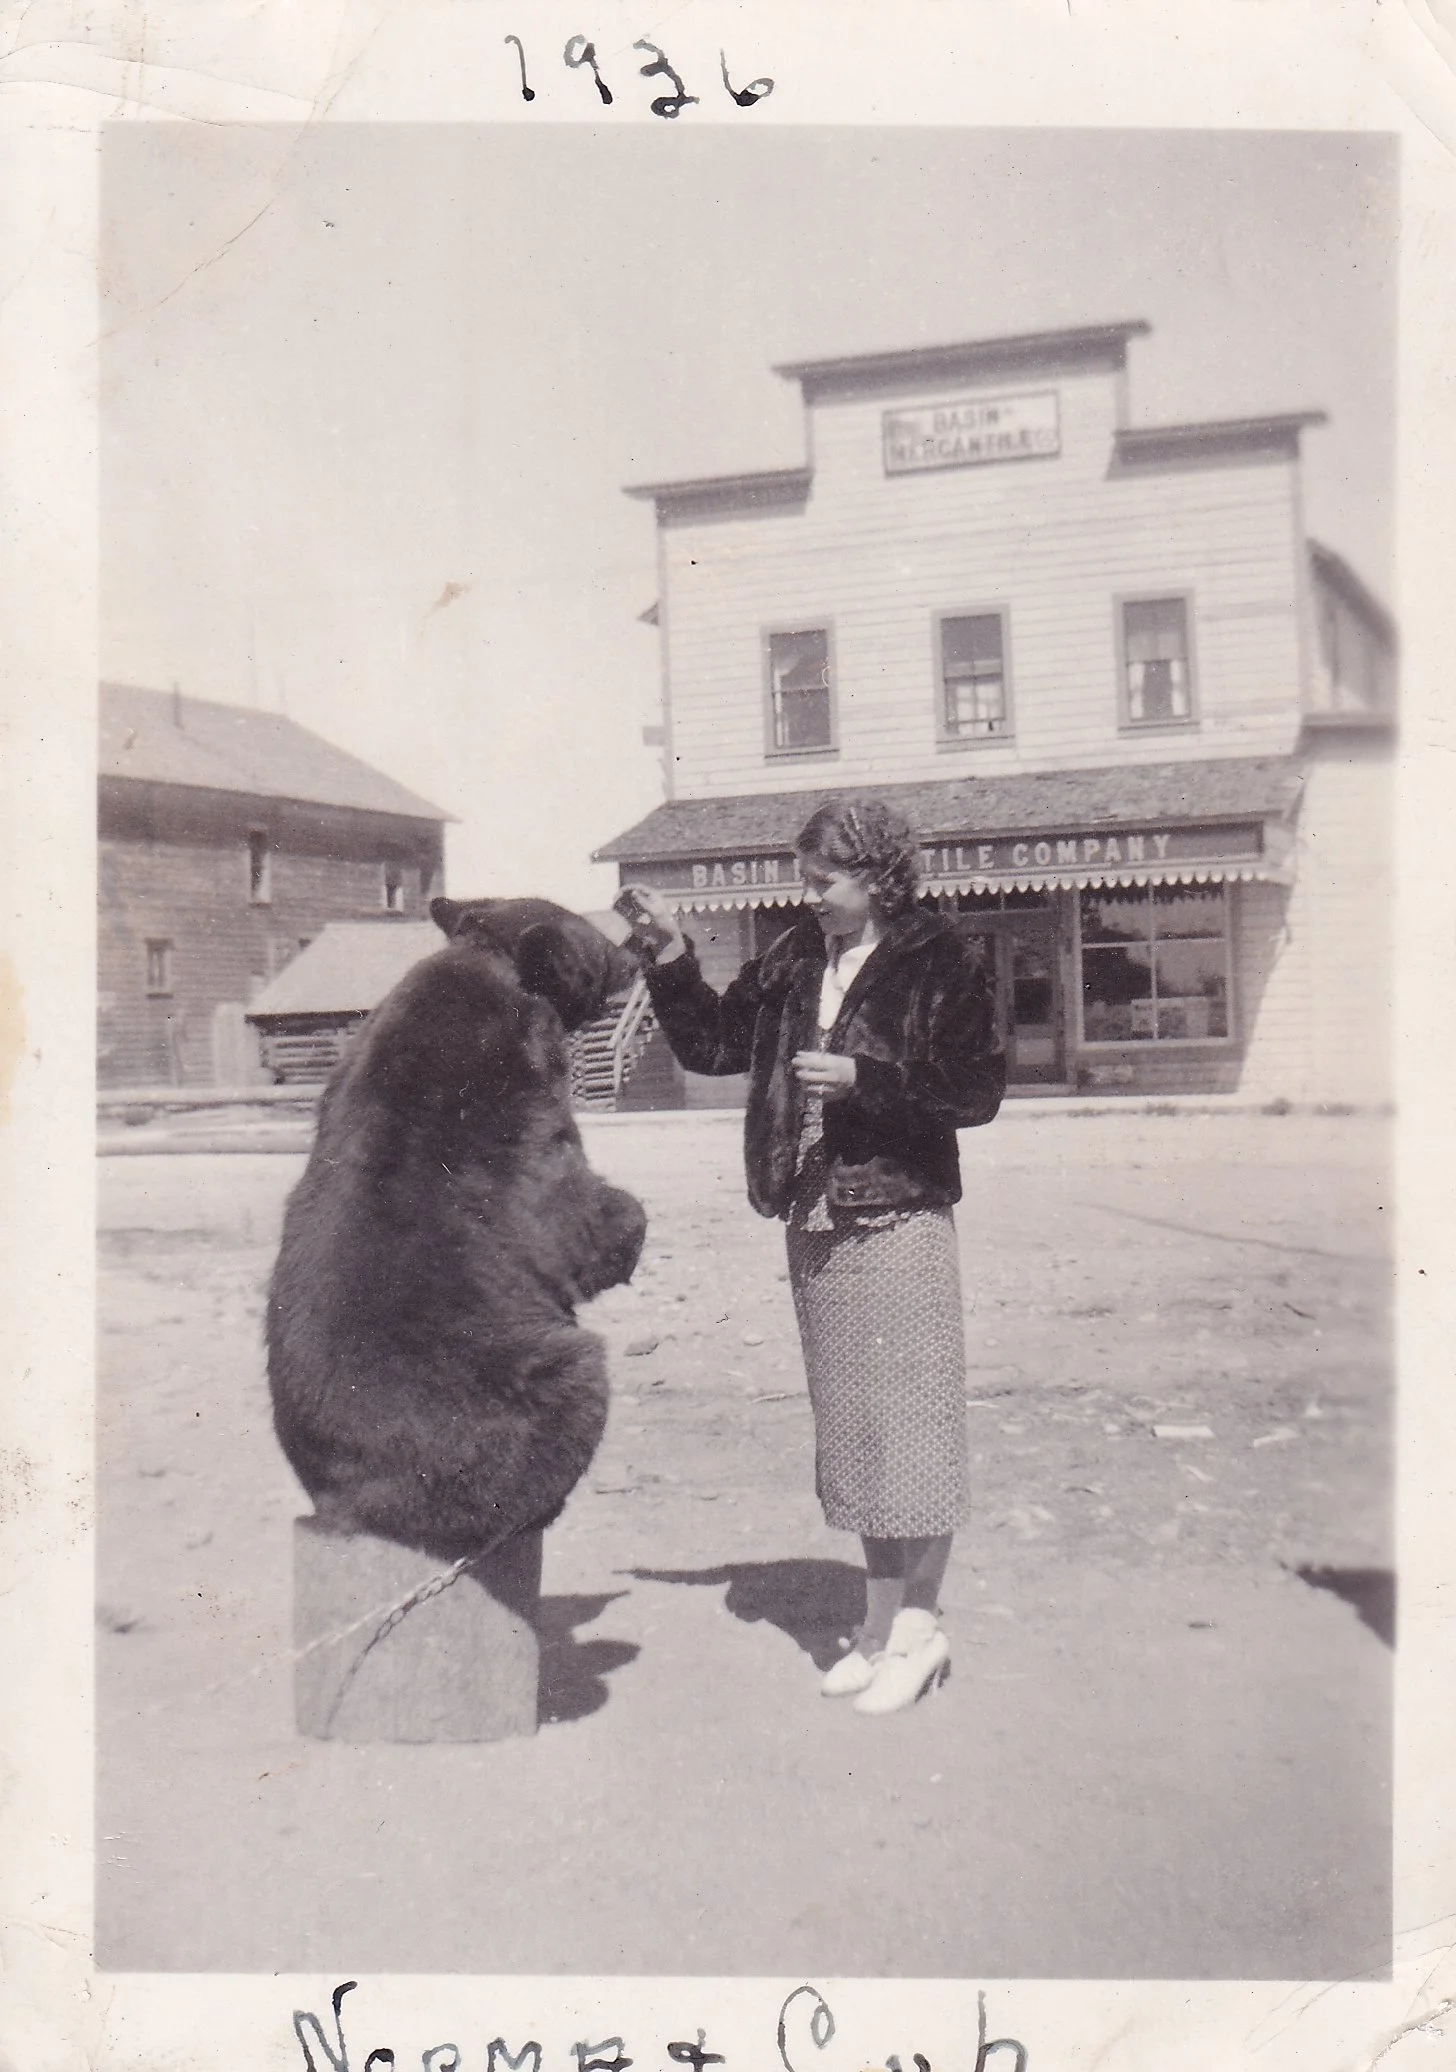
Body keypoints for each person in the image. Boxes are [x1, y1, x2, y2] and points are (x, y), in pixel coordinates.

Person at [625, 797, 1005, 1715]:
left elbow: (978, 1088)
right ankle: (879, 1631)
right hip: (815, 1216)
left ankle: (916, 1631)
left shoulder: (939, 957)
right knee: (856, 1431)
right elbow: (716, 1044)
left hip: (900, 1214)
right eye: (806, 880)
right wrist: (673, 955)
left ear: (876, 877)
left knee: (913, 1425)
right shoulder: (798, 955)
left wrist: (868, 1082)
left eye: (823, 880)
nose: (811, 895)